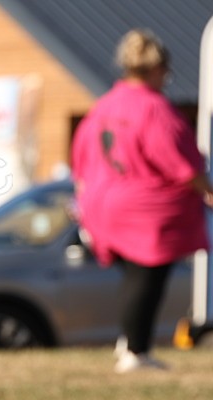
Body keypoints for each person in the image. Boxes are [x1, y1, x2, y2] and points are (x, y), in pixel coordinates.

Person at [71, 28, 213, 373]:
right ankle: (136, 351)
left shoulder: (104, 106)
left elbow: (81, 159)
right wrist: (206, 189)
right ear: (155, 68)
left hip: (101, 204)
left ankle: (130, 343)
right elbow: (179, 160)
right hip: (144, 209)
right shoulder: (154, 109)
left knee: (135, 276)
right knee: (148, 276)